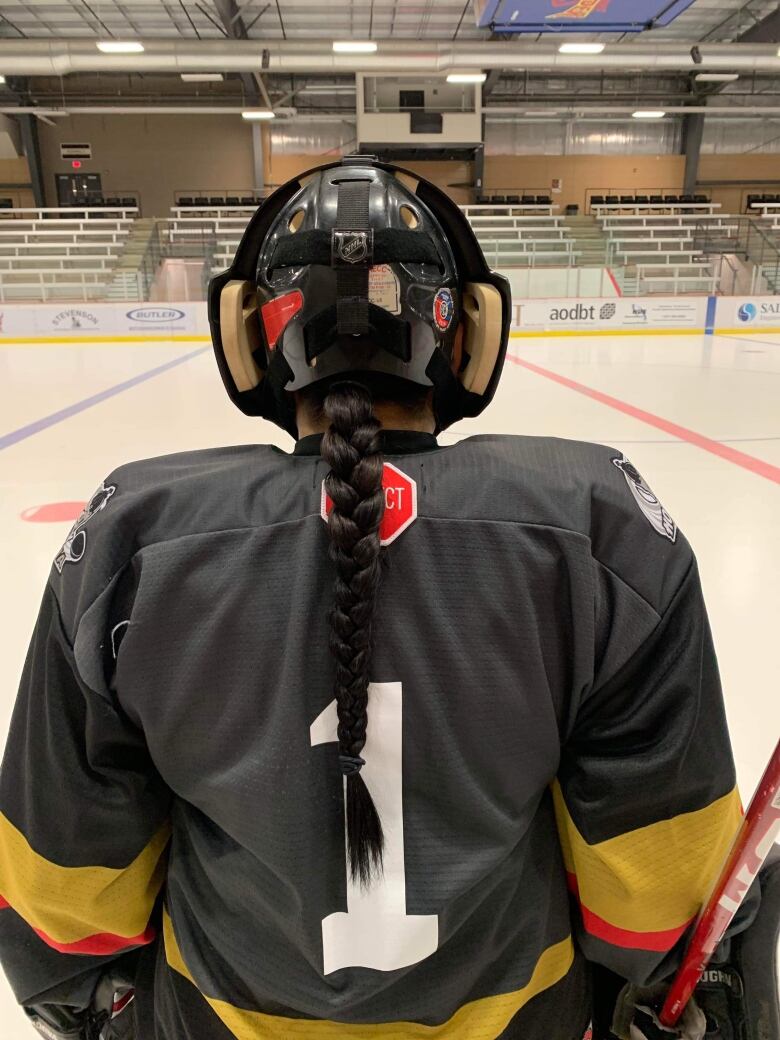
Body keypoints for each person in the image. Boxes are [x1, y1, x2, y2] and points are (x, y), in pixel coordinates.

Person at [0, 156, 761, 1040]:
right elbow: (661, 908)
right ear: (465, 333)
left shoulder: (130, 545)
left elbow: (61, 901)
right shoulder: (601, 533)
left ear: (254, 339)